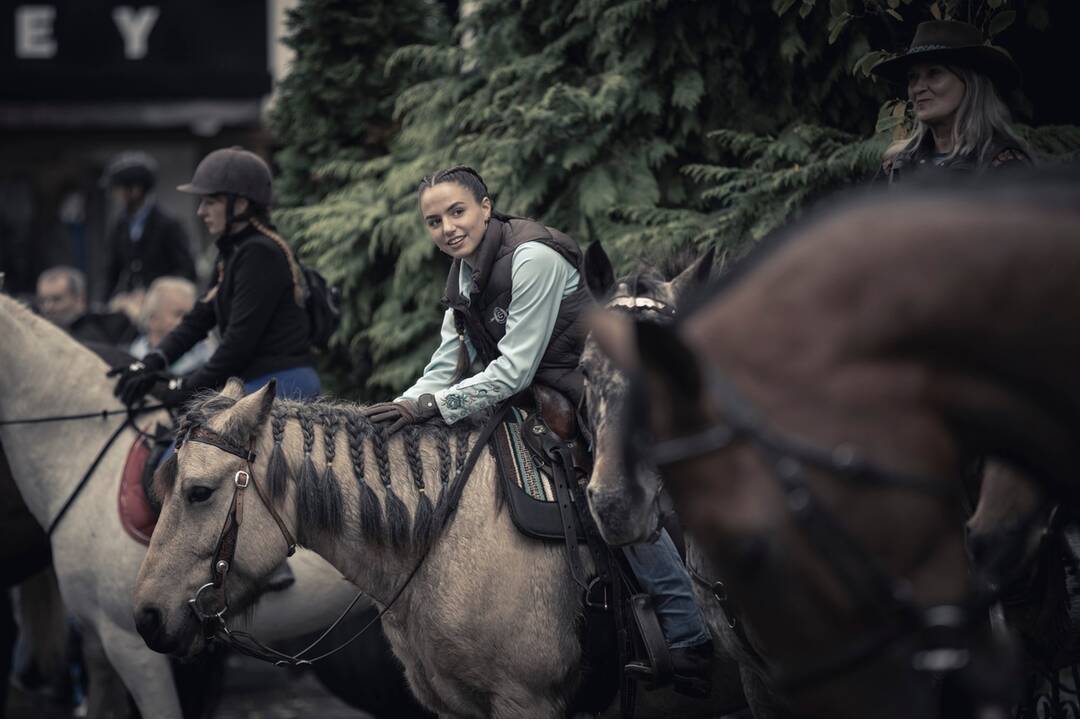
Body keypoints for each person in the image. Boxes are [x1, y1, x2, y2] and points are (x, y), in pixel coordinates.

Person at [361, 165, 714, 695]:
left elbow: (515, 367)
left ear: (486, 206)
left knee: (613, 490)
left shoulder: (534, 257)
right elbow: (446, 359)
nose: (448, 228)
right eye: (434, 221)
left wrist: (435, 405)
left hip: (585, 389)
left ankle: (689, 634)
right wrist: (405, 406)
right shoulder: (463, 273)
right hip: (527, 400)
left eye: (457, 212)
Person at [111, 147, 318, 409]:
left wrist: (183, 388)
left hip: (281, 384)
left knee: (185, 446)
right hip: (252, 381)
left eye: (210, 201)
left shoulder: (259, 253)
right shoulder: (231, 251)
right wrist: (149, 364)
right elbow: (199, 319)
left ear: (240, 204)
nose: (201, 211)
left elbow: (237, 346)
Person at [872, 19, 1032, 184]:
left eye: (934, 73)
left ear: (971, 84)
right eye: (912, 77)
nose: (917, 88)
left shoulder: (1004, 164)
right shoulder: (896, 165)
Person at [102, 151, 197, 299]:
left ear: (135, 190)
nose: (115, 195)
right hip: (132, 301)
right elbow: (112, 272)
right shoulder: (120, 225)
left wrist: (157, 291)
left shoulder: (168, 224)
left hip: (162, 302)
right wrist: (103, 304)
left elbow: (186, 270)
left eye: (118, 189)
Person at [128, 277, 215, 376]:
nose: (188, 321)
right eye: (178, 314)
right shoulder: (131, 360)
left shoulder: (206, 362)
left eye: (191, 315)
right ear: (153, 319)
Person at [36, 266, 137, 347]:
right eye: (43, 301)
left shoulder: (98, 334)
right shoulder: (38, 337)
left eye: (57, 299)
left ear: (79, 299)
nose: (48, 307)